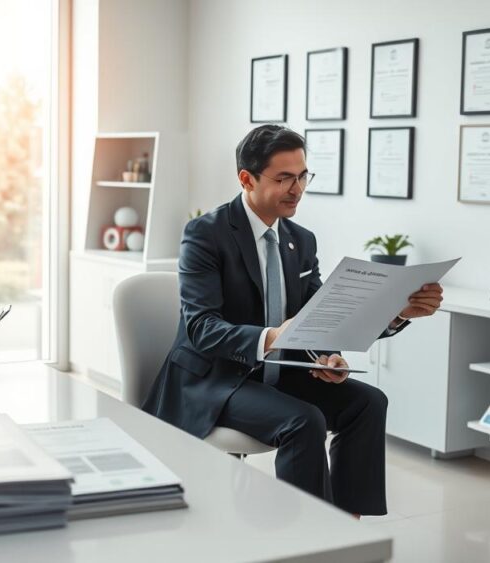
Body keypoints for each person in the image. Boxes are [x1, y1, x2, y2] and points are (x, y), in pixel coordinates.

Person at [142, 125, 443, 517]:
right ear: (246, 179)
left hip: (279, 374)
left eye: (302, 176)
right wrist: (271, 337)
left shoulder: (301, 241)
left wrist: (350, 343)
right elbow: (201, 329)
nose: (297, 188)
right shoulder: (205, 234)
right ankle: (307, 537)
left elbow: (319, 318)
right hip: (215, 380)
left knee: (367, 402)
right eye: (284, 178)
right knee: (304, 420)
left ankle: (344, 524)